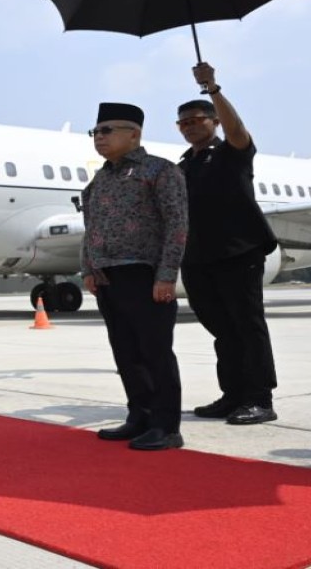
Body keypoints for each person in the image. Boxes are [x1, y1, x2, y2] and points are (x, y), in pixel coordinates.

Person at [176, 63, 280, 425]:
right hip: (198, 258)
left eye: (197, 119)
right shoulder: (184, 166)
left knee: (247, 325)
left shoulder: (231, 152)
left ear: (213, 121)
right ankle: (232, 394)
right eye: (183, 123)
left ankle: (259, 398)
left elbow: (238, 129)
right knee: (221, 328)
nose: (190, 126)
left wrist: (213, 89)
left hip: (238, 253)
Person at [81, 103, 188, 451]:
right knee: (125, 352)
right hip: (108, 278)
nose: (99, 137)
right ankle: (138, 416)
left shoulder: (160, 171)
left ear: (134, 134)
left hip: (145, 274)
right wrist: (89, 269)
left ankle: (166, 426)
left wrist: (167, 275)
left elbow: (177, 225)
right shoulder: (101, 178)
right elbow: (90, 228)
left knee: (155, 352)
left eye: (107, 130)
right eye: (96, 131)